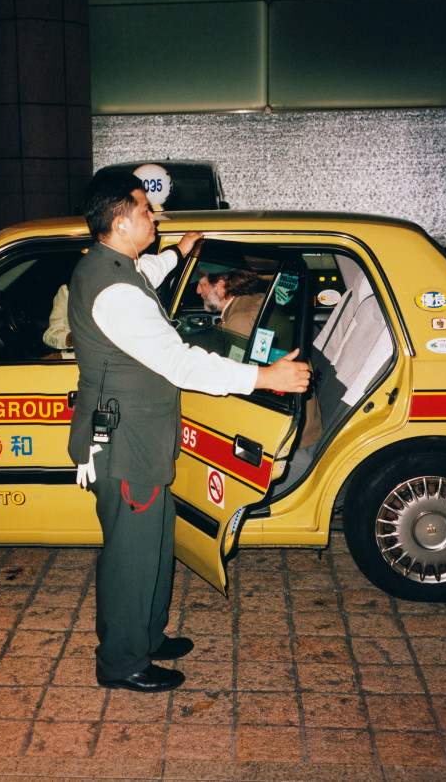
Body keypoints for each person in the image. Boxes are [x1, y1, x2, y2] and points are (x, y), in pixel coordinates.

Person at [67, 168, 311, 694]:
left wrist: (178, 252)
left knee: (153, 540)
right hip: (127, 442)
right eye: (145, 211)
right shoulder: (115, 292)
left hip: (139, 437)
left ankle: (146, 637)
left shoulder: (111, 267)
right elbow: (180, 364)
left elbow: (145, 276)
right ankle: (121, 661)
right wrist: (265, 375)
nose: (152, 216)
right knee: (131, 554)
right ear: (119, 221)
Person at [196, 267, 322, 449]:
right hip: (292, 412)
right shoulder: (251, 301)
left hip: (289, 432)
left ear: (221, 287)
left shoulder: (240, 319)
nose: (198, 290)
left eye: (202, 284)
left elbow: (234, 379)